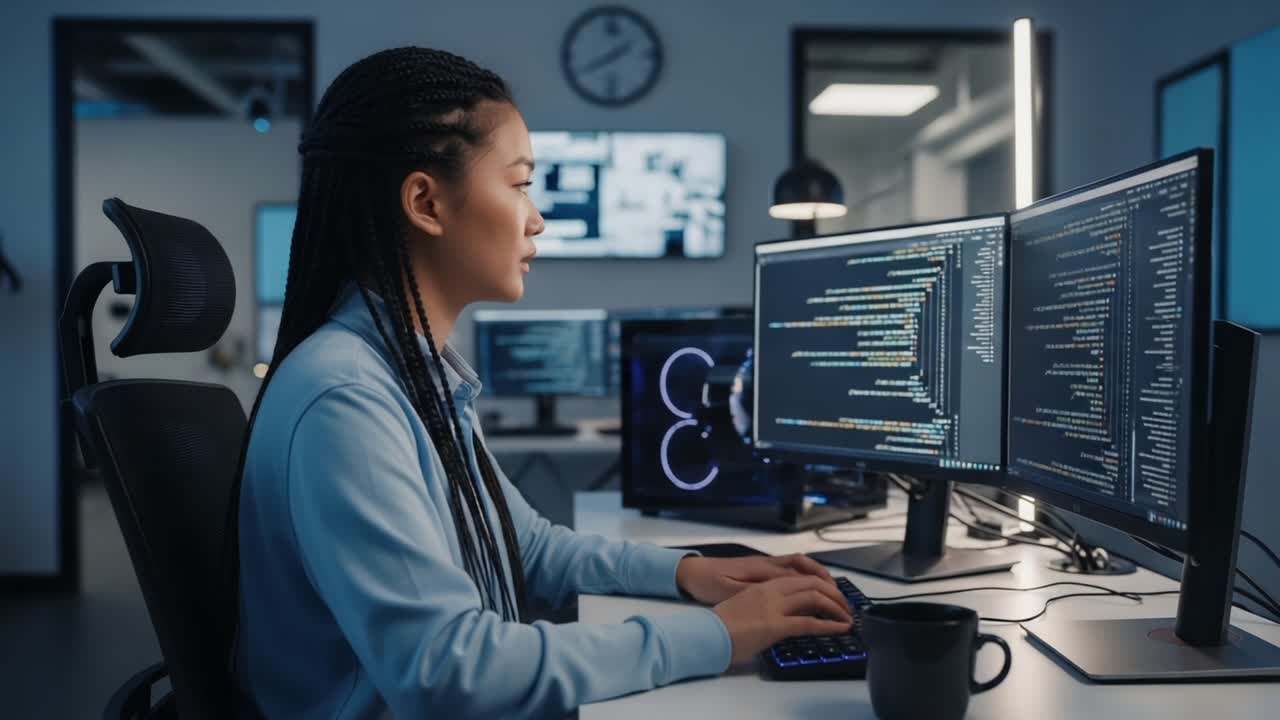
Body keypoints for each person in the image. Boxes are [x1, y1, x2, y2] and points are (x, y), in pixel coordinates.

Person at [233, 47, 852, 719]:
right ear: (426, 202)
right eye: (520, 184)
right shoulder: (347, 399)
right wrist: (720, 636)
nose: (536, 219)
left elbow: (522, 545)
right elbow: (448, 672)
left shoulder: (409, 374)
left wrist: (688, 572)